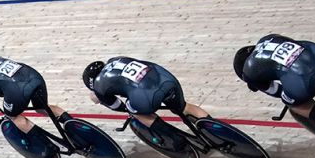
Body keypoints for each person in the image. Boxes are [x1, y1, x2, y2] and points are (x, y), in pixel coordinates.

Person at [81, 56, 217, 127]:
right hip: (166, 78)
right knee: (184, 107)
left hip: (148, 96)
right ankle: (217, 129)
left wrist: (101, 98)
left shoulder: (98, 86)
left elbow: (117, 106)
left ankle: (174, 139)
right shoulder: (115, 60)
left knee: (135, 112)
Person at [0, 55, 77, 136]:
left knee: (13, 116)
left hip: (18, 89)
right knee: (42, 108)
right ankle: (77, 128)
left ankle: (46, 146)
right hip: (34, 76)